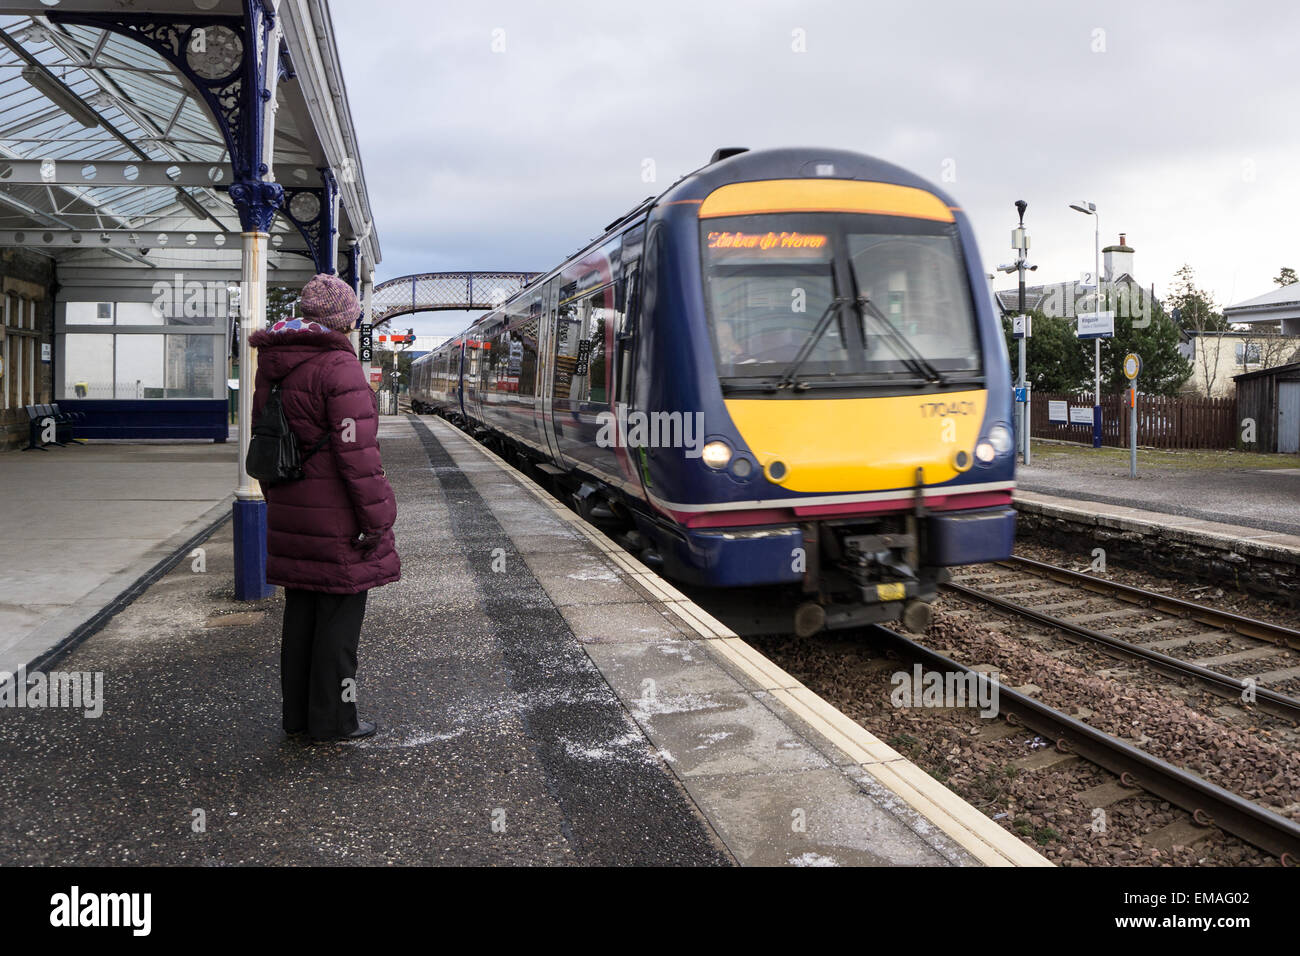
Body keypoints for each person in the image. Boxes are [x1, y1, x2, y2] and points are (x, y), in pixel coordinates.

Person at [249, 273, 400, 743]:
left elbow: (267, 440)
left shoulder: (274, 362)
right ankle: (334, 721)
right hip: (336, 516)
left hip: (294, 507)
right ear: (345, 319)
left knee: (301, 621)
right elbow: (357, 457)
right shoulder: (338, 366)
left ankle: (298, 718)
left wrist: (280, 499)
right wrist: (376, 520)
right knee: (337, 624)